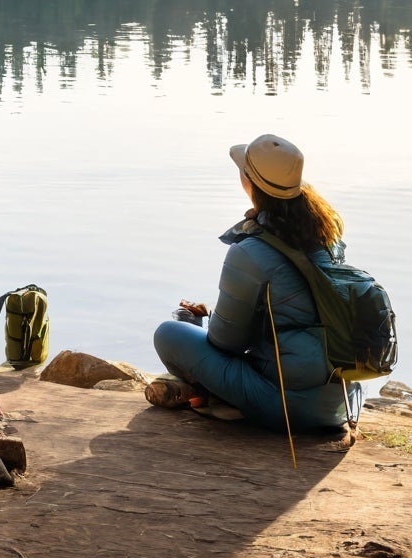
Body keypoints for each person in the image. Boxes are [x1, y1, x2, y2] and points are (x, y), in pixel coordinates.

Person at [147, 133, 363, 433]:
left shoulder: (249, 251)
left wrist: (202, 325)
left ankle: (223, 400)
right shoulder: (329, 236)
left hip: (288, 408)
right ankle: (221, 398)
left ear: (249, 183)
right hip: (344, 403)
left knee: (169, 332)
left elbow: (227, 342)